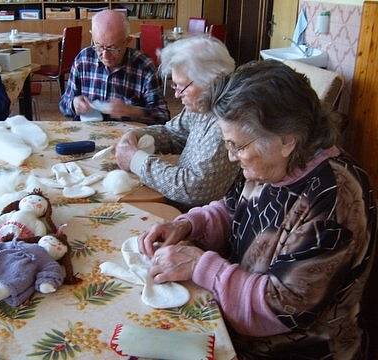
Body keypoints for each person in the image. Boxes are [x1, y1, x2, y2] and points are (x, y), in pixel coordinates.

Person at [138, 60, 376, 359]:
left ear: (287, 139)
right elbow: (232, 208)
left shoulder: (334, 198)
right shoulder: (274, 163)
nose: (232, 157)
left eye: (237, 146)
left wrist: (200, 265)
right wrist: (189, 225)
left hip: (296, 351)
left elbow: (279, 310)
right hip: (234, 325)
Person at [115, 36, 238, 208]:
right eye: (175, 86)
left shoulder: (226, 123)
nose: (176, 95)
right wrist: (136, 135)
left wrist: (136, 160)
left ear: (212, 81)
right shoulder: (203, 104)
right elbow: (173, 133)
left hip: (197, 220)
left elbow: (193, 188)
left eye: (182, 86)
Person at [58, 10, 169, 125]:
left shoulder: (144, 66)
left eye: (112, 48)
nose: (105, 55)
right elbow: (63, 105)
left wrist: (132, 111)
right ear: (92, 36)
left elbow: (163, 117)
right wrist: (73, 104)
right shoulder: (83, 59)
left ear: (127, 41)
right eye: (99, 46)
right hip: (87, 133)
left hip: (126, 138)